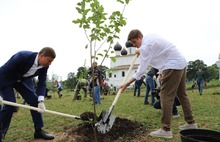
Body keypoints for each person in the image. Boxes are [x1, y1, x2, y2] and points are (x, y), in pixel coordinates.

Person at [120, 29, 198, 139]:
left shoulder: (146, 47)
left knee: (165, 96)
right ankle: (191, 123)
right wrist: (140, 50)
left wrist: (126, 84)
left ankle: (166, 129)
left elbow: (141, 70)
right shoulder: (150, 37)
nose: (134, 45)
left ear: (139, 37)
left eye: (134, 42)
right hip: (181, 63)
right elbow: (154, 51)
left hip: (171, 66)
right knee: (182, 95)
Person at [0, 47, 56, 141]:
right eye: (49, 60)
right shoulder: (22, 56)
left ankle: (38, 131)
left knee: (35, 102)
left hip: (22, 81)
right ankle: (1, 132)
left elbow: (42, 82)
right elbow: (2, 72)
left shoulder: (45, 66)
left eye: (51, 62)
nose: (49, 63)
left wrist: (41, 100)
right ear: (42, 56)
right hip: (6, 79)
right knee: (10, 104)